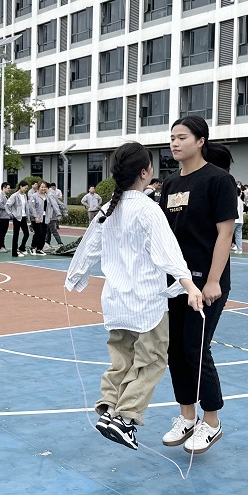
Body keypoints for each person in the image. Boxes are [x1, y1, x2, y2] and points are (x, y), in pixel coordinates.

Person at [66, 142, 204, 450]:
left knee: (122, 360)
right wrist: (190, 285)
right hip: (146, 300)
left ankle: (109, 409)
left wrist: (75, 276)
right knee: (152, 359)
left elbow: (88, 247)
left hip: (116, 301)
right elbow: (167, 252)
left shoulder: (107, 210)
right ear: (145, 173)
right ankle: (126, 418)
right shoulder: (147, 209)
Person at [158, 115, 237, 455]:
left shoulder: (218, 180)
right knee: (174, 350)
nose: (175, 143)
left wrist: (214, 280)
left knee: (196, 348)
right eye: (172, 138)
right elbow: (164, 235)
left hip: (207, 281)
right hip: (176, 282)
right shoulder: (170, 184)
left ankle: (212, 421)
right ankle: (187, 416)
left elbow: (225, 233)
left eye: (182, 137)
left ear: (200, 140)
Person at [8, 181, 30, 257]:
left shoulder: (24, 196)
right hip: (17, 218)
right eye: (25, 188)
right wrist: (11, 214)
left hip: (23, 217)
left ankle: (22, 247)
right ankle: (14, 252)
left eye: (27, 188)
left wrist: (27, 216)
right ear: (20, 186)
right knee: (16, 235)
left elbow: (26, 206)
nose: (26, 189)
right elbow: (8, 205)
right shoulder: (14, 195)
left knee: (26, 234)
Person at [27, 181, 47, 256]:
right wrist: (35, 216)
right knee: (39, 233)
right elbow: (31, 207)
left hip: (45, 217)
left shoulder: (47, 196)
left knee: (44, 233)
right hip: (37, 218)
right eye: (42, 187)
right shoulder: (34, 196)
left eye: (44, 187)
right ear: (38, 187)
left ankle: (39, 249)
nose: (43, 188)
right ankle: (33, 247)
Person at [44, 182, 63, 251]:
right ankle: (47, 243)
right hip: (51, 215)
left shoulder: (50, 195)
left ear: (47, 187)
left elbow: (54, 204)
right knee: (48, 230)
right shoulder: (51, 193)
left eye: (44, 187)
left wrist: (58, 213)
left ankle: (60, 243)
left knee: (53, 230)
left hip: (51, 215)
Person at [0, 183, 12, 253]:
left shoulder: (6, 196)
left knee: (4, 232)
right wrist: (7, 208)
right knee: (1, 232)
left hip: (6, 216)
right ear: (4, 188)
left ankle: (3, 246)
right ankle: (0, 246)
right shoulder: (0, 196)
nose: (9, 189)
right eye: (8, 188)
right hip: (1, 216)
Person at [232, 186, 244, 255]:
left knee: (228, 235)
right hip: (240, 220)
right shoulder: (241, 201)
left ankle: (226, 249)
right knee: (239, 235)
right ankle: (240, 249)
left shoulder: (234, 200)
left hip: (234, 220)